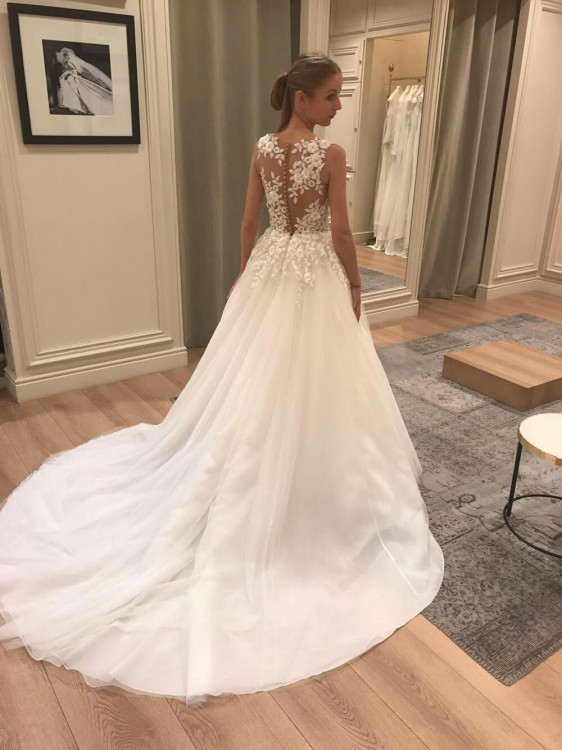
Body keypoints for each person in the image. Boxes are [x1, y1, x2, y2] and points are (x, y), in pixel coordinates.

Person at [0, 53, 443, 707]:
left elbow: (248, 224)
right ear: (301, 100)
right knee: (316, 379)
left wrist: (246, 279)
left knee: (259, 375)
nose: (338, 106)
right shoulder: (331, 154)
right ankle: (313, 482)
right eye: (331, 96)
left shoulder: (262, 148)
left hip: (270, 266)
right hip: (315, 272)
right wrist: (355, 284)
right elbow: (342, 232)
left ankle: (268, 455)